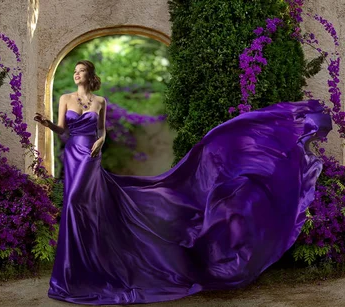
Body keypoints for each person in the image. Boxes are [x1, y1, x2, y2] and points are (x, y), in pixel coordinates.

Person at [33, 60, 332, 305]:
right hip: (74, 153)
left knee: (90, 207)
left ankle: (92, 267)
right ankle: (71, 274)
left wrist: (100, 141)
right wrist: (47, 125)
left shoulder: (100, 101)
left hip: (92, 155)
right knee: (73, 205)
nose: (77, 74)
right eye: (75, 71)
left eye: (81, 71)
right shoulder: (65, 99)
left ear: (90, 76)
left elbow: (104, 132)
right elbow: (62, 131)